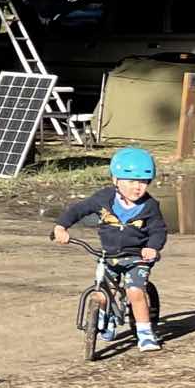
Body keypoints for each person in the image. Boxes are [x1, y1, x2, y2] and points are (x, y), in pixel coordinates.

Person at [52, 146, 168, 352]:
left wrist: (152, 248)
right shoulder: (104, 198)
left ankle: (145, 333)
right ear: (116, 180)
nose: (137, 187)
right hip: (107, 256)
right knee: (102, 294)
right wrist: (61, 227)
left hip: (136, 258)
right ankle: (106, 317)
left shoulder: (150, 206)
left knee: (134, 292)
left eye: (143, 182)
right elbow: (78, 210)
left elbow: (158, 230)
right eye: (131, 181)